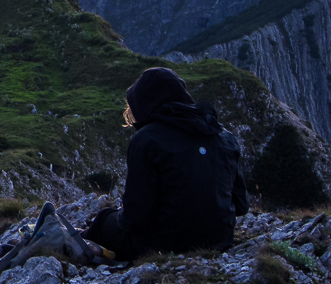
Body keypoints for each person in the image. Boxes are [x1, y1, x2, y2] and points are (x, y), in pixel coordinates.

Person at [82, 66, 249, 260]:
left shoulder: (147, 139)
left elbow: (134, 219)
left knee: (104, 220)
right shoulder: (224, 136)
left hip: (162, 245)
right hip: (219, 240)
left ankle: (76, 241)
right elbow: (241, 205)